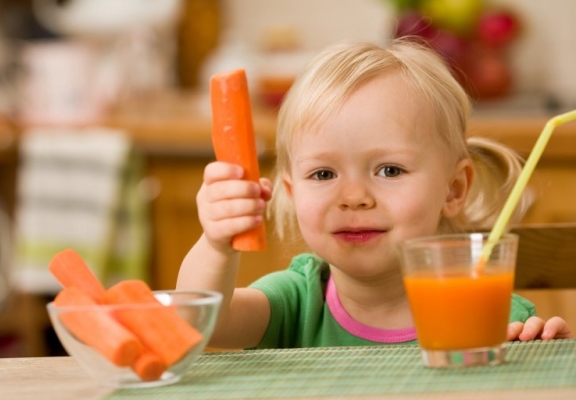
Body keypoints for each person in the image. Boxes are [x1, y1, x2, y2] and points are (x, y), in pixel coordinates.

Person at [177, 38, 573, 349]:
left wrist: (538, 359)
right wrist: (217, 244)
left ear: (453, 189)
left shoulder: (493, 314)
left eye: (389, 170)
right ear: (292, 193)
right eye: (323, 173)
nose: (353, 197)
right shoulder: (296, 301)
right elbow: (197, 326)